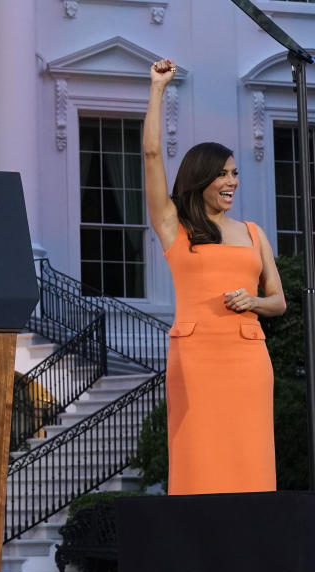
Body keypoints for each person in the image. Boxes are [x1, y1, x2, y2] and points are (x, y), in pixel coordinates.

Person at [144, 58, 286, 495]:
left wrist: (254, 301)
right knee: (199, 455)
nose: (232, 182)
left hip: (247, 357)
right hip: (196, 356)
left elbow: (278, 300)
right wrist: (158, 90)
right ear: (201, 179)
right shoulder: (174, 225)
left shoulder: (253, 232)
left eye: (235, 173)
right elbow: (151, 155)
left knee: (249, 455)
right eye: (222, 174)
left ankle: (251, 550)